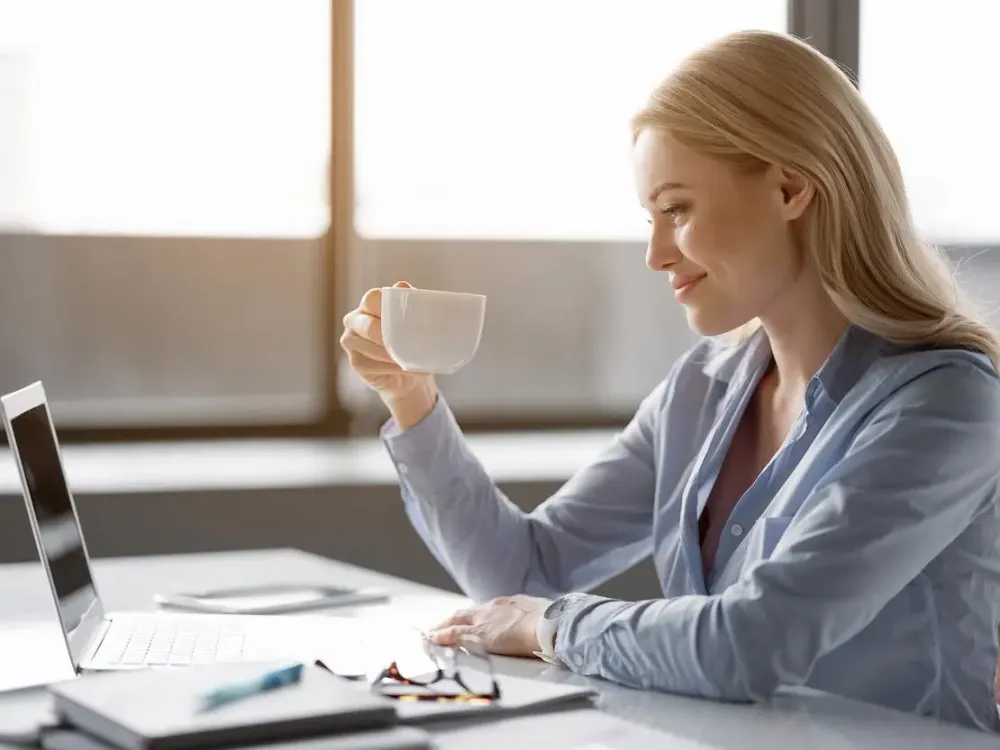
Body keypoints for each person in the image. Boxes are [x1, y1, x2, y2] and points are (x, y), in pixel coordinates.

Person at [339, 30, 1000, 732]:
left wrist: (553, 628)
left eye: (678, 209)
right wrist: (410, 398)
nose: (656, 254)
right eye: (650, 218)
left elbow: (753, 643)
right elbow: (523, 575)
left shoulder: (946, 404)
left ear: (790, 187)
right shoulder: (702, 390)